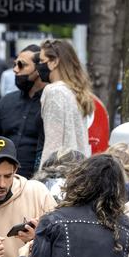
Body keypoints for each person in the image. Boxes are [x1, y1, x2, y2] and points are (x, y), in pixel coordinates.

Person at [0, 45, 46, 179]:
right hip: (4, 185)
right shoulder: (5, 103)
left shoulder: (50, 105)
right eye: (15, 64)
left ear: (38, 69)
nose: (15, 69)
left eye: (21, 65)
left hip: (37, 185)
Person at [36, 39, 93, 170]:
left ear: (54, 62)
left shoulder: (54, 91)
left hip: (60, 172)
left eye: (41, 61)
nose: (38, 66)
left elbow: (53, 144)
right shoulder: (77, 91)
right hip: (81, 170)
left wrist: (41, 178)